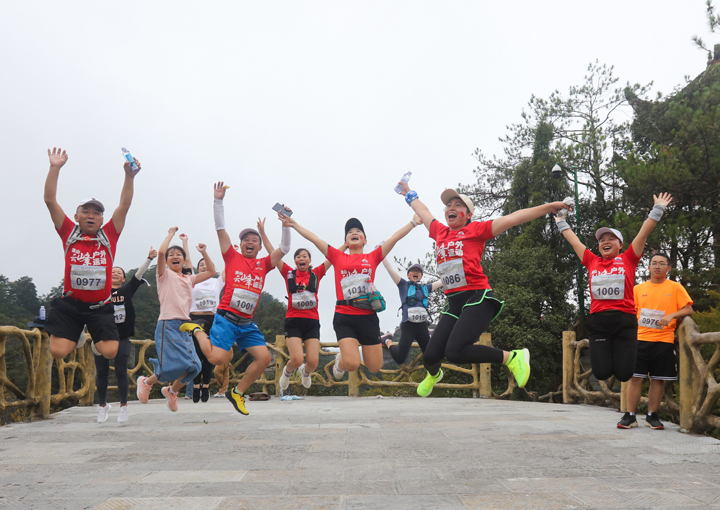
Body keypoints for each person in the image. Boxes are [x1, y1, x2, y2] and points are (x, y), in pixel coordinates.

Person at [399, 184, 567, 397]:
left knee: (455, 351)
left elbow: (514, 218)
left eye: (457, 205)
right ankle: (434, 375)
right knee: (430, 356)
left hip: (477, 298)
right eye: (448, 205)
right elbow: (423, 211)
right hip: (454, 303)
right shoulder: (439, 231)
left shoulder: (476, 230)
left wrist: (549, 207)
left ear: (468, 215)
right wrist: (408, 194)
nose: (451, 207)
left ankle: (512, 357)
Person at [181, 182, 290, 416]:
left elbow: (284, 247)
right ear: (240, 245)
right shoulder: (231, 257)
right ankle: (197, 330)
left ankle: (237, 393)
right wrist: (218, 201)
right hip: (226, 319)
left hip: (247, 324)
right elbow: (220, 228)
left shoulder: (264, 264)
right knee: (217, 357)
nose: (250, 242)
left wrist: (286, 225)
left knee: (263, 358)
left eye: (254, 240)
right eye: (246, 240)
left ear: (260, 247)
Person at [279, 211, 418, 381]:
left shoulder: (372, 257)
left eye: (358, 231)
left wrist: (413, 222)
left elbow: (394, 238)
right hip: (345, 315)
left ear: (364, 240)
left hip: (368, 316)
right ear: (345, 241)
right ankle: (340, 363)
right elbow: (314, 239)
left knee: (374, 366)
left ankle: (341, 359)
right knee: (352, 363)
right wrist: (294, 224)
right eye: (349, 232)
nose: (354, 233)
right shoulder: (338, 256)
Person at [556, 193, 673, 384]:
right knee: (601, 373)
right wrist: (561, 221)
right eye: (602, 240)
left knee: (625, 374)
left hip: (624, 322)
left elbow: (643, 233)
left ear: (620, 244)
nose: (605, 242)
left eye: (611, 239)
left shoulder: (629, 258)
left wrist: (658, 208)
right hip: (599, 323)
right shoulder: (592, 260)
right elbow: (574, 241)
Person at [43, 147, 140, 360]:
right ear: (76, 216)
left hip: (100, 306)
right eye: (85, 212)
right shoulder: (69, 232)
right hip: (70, 305)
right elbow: (50, 200)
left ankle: (95, 339)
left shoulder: (109, 235)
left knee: (109, 352)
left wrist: (129, 176)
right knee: (58, 352)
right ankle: (78, 333)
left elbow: (124, 205)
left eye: (96, 213)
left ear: (102, 219)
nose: (91, 216)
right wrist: (54, 167)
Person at [136, 228, 216, 412]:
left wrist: (203, 252)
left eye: (178, 254)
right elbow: (162, 252)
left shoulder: (189, 279)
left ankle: (172, 391)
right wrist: (170, 235)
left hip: (185, 325)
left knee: (194, 367)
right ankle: (146, 382)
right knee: (172, 367)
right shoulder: (163, 275)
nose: (174, 255)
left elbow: (211, 271)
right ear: (166, 261)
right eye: (171, 254)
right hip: (167, 324)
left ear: (184, 259)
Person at [257, 217, 339, 391]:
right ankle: (286, 374)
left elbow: (334, 257)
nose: (301, 259)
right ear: (295, 261)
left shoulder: (317, 273)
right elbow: (273, 252)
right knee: (296, 359)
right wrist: (263, 233)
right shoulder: (288, 273)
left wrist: (346, 245)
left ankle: (305, 373)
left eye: (305, 256)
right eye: (298, 257)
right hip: (293, 321)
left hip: (312, 322)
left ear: (309, 261)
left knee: (313, 362)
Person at [617, 253, 693, 430]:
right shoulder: (637, 289)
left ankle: (652, 415)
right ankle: (630, 415)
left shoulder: (675, 288)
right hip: (639, 340)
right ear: (649, 268)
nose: (657, 266)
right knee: (635, 377)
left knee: (658, 379)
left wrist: (672, 315)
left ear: (669, 268)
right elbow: (628, 313)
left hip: (664, 340)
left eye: (661, 263)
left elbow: (688, 309)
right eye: (654, 263)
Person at [95, 247, 156, 424]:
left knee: (121, 371)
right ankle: (102, 405)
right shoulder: (99, 293)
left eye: (118, 272)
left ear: (122, 278)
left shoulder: (126, 290)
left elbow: (138, 275)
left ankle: (123, 406)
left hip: (121, 336)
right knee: (102, 373)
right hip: (101, 336)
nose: (115, 273)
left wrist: (149, 258)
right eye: (112, 272)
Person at [180, 234, 225, 403]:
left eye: (207, 265)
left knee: (209, 355)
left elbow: (230, 266)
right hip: (194, 319)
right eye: (201, 265)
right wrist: (185, 242)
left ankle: (206, 384)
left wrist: (205, 253)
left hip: (212, 319)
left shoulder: (217, 281)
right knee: (196, 354)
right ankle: (196, 384)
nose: (204, 267)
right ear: (197, 269)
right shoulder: (193, 280)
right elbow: (187, 261)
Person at [380, 260, 442, 365]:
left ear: (421, 276)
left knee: (431, 357)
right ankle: (387, 340)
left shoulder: (425, 288)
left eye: (419, 271)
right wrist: (382, 255)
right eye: (413, 271)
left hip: (422, 326)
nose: (416, 273)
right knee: (400, 359)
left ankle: (428, 332)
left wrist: (460, 269)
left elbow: (443, 281)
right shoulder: (403, 285)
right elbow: (390, 269)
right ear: (409, 275)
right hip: (408, 326)